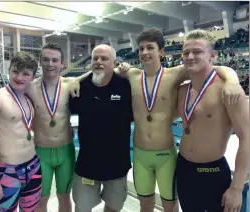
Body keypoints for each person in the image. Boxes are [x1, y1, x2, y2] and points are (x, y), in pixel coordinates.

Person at [70, 28, 242, 212]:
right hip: (140, 154)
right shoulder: (131, 75)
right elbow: (100, 70)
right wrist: (75, 80)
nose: (144, 52)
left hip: (166, 154)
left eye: (149, 48)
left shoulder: (175, 74)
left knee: (170, 206)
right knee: (146, 205)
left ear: (161, 51)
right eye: (141, 48)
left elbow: (212, 67)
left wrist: (232, 79)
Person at [0, 42, 78, 212]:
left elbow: (99, 74)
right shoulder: (29, 87)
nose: (50, 64)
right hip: (40, 152)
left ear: (62, 64)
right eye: (46, 60)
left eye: (55, 60)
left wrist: (122, 68)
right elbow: (10, 92)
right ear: (40, 63)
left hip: (66, 150)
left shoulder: (72, 84)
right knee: (42, 199)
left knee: (64, 195)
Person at [175, 29, 250, 212]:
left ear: (212, 55)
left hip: (213, 172)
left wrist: (237, 187)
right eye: (186, 53)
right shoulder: (182, 91)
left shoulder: (229, 91)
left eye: (198, 52)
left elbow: (247, 138)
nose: (190, 56)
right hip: (184, 168)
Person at [70, 44, 133, 212]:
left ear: (114, 63)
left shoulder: (126, 85)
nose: (98, 62)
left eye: (104, 59)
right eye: (95, 58)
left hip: (117, 164)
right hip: (87, 164)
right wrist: (76, 80)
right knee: (82, 208)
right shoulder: (79, 87)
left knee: (113, 207)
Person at [0, 52, 42, 211]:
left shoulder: (28, 98)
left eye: (25, 73)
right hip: (9, 172)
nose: (19, 77)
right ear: (9, 70)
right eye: (15, 71)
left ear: (33, 77)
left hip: (33, 166)